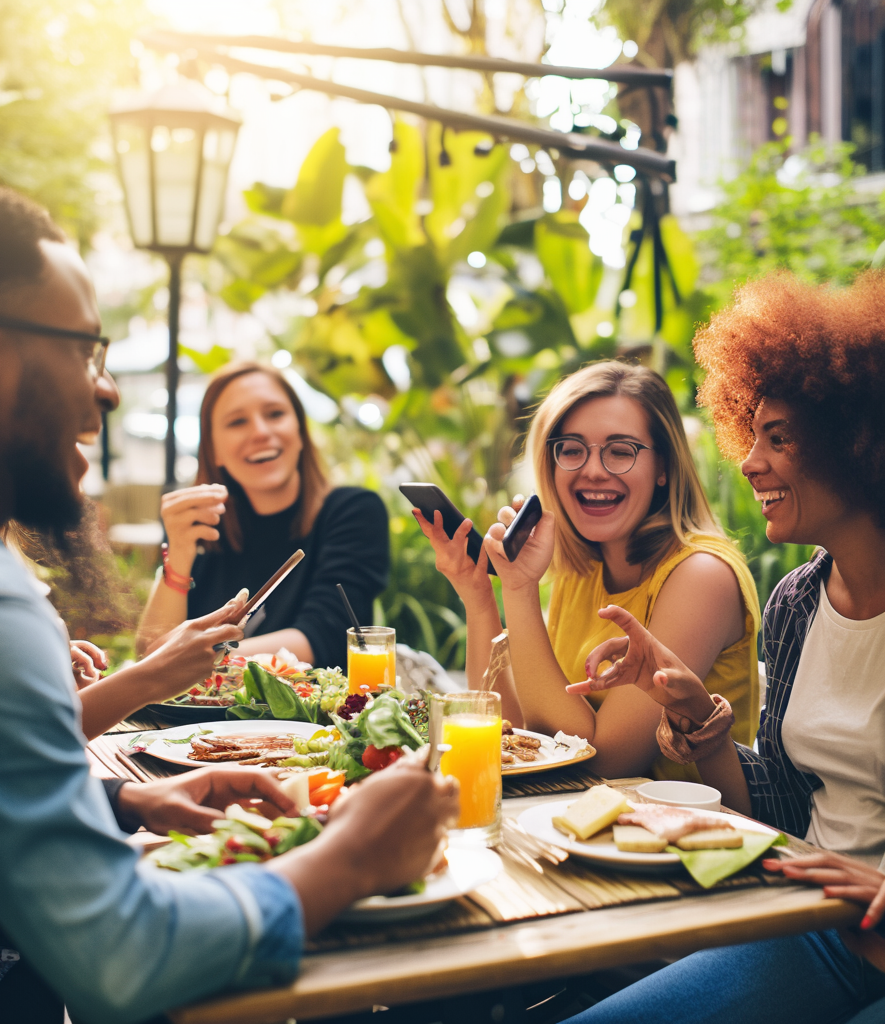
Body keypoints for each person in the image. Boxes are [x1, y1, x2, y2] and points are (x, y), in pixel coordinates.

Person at [0, 179, 458, 1024]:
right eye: (82, 350)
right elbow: (122, 958)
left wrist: (122, 798)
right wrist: (351, 859)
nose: (102, 392)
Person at [562, 273, 885, 1024]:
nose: (748, 462)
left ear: (860, 444)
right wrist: (698, 717)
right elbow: (772, 807)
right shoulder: (799, 603)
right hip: (802, 925)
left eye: (781, 438)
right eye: (755, 434)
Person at [416, 361, 760, 779]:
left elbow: (598, 761)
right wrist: (479, 596)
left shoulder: (702, 576)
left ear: (665, 469)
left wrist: (522, 589)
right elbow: (516, 732)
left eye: (621, 451)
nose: (593, 470)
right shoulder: (582, 571)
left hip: (682, 835)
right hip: (579, 825)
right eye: (572, 449)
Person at [136, 361, 389, 669]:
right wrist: (179, 554)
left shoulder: (353, 511)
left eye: (275, 414)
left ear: (299, 429)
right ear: (212, 448)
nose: (260, 431)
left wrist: (194, 657)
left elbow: (325, 636)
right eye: (237, 422)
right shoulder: (198, 522)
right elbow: (150, 656)